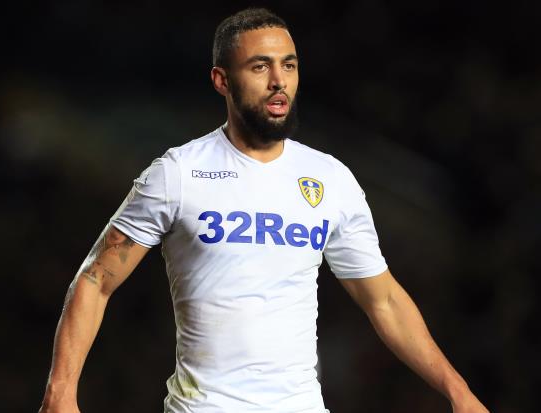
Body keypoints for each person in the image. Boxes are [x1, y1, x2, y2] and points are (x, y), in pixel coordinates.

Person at [39, 8, 489, 413]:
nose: (279, 80)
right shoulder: (178, 173)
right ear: (222, 80)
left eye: (288, 65)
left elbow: (384, 300)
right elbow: (95, 279)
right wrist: (60, 393)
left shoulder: (330, 179)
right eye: (260, 66)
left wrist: (459, 392)